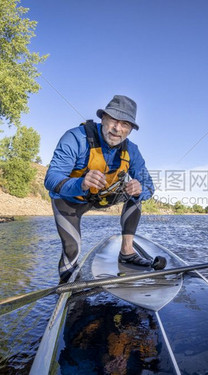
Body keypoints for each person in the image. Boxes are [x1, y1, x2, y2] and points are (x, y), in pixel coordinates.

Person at [44, 95, 157, 283]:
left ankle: (127, 252)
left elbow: (149, 187)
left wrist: (140, 188)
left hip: (103, 197)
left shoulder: (133, 151)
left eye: (125, 124)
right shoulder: (75, 137)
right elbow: (51, 178)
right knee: (72, 248)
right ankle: (67, 284)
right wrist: (81, 183)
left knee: (136, 194)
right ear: (103, 118)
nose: (117, 129)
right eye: (113, 120)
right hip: (70, 200)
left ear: (130, 130)